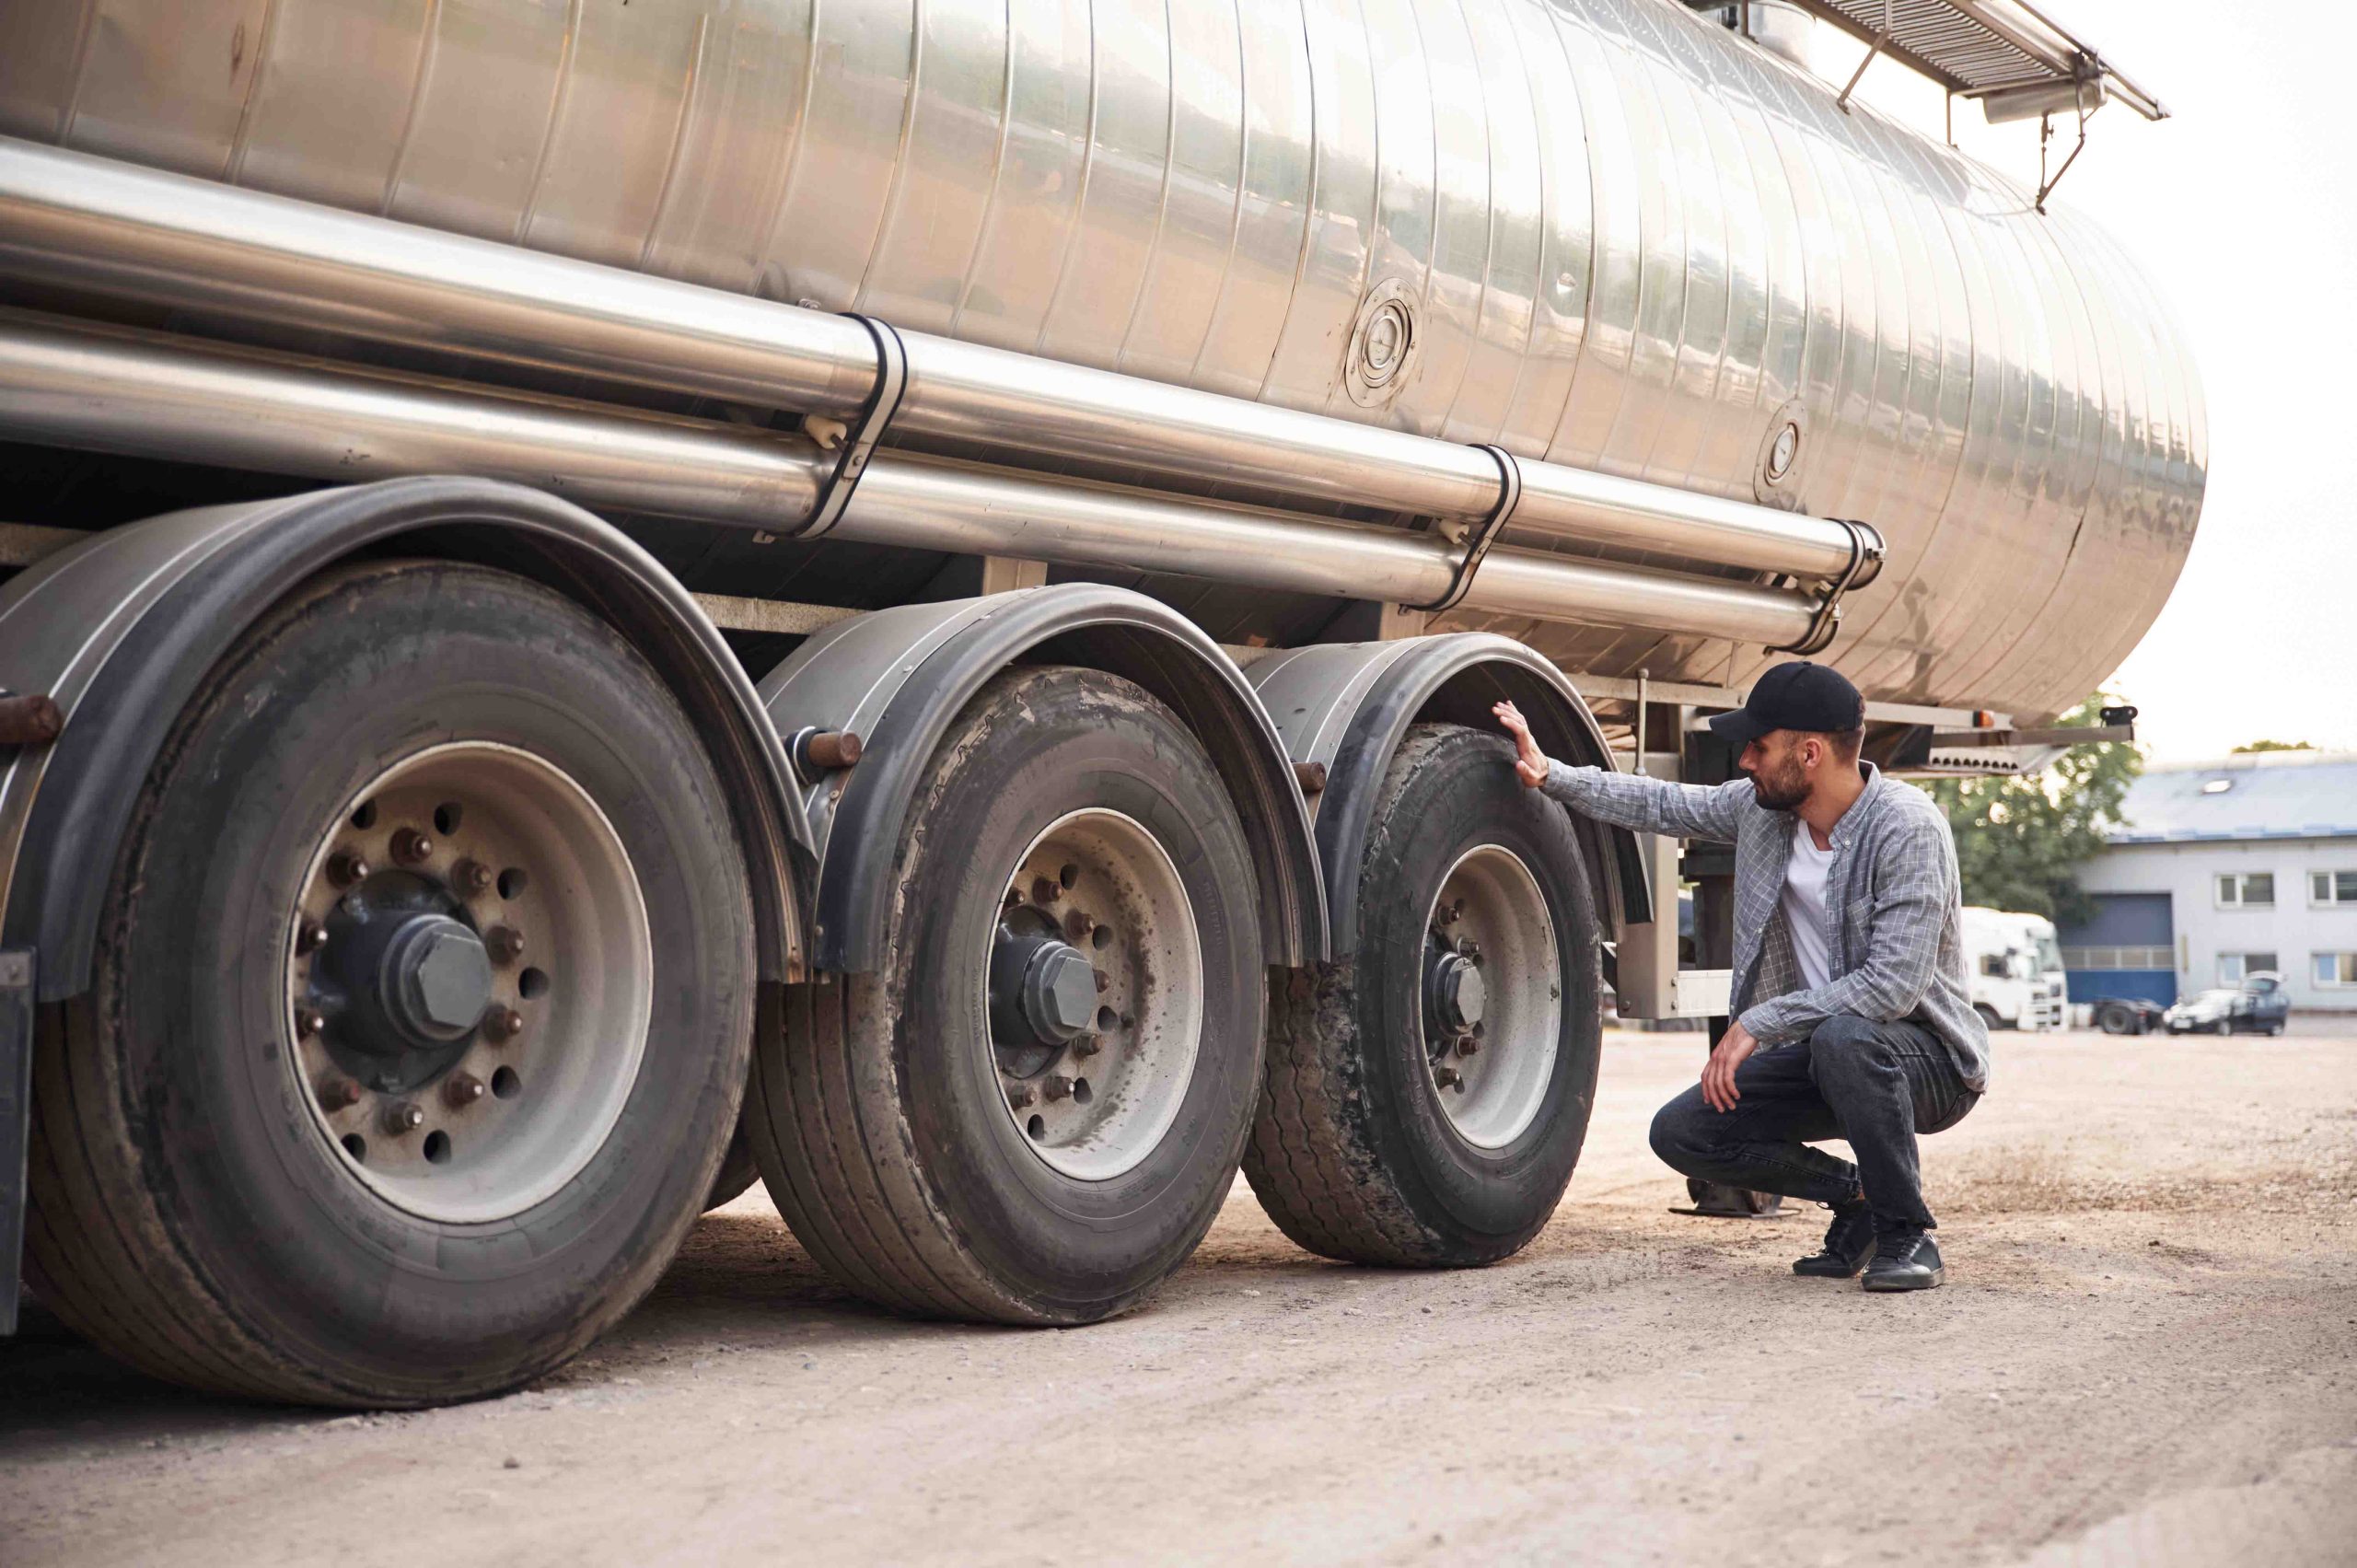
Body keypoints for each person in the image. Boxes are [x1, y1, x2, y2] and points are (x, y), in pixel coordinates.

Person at [1492, 661, 1986, 1292]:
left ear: (1809, 753)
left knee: (1844, 1037)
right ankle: (1855, 1197)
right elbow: (1662, 802)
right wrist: (1551, 773)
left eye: (1759, 744)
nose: (1746, 759)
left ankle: (1907, 1235)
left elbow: (1891, 986)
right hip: (1827, 1055)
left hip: (1927, 1062)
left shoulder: (1907, 828)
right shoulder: (1765, 813)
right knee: (1684, 1130)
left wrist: (1758, 1020)